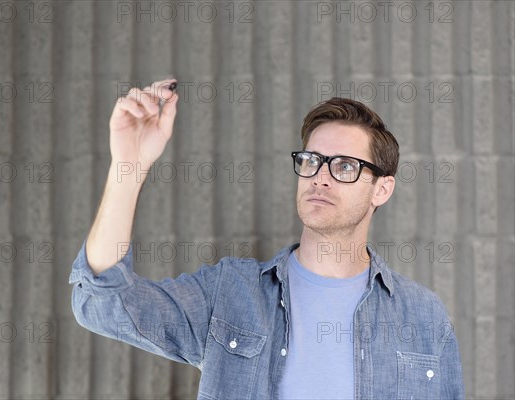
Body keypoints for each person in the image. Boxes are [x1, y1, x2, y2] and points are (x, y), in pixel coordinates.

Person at [69, 79, 465, 399]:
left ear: (382, 189)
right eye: (311, 161)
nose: (320, 177)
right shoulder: (230, 293)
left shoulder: (423, 316)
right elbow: (102, 303)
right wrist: (128, 165)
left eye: (344, 166)